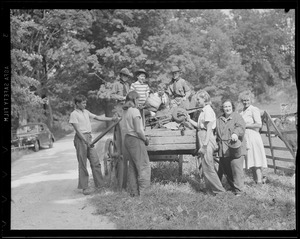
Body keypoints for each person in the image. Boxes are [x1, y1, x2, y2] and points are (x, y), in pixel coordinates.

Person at [69, 94, 116, 195]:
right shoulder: (74, 114)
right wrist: (86, 142)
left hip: (89, 137)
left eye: (85, 102)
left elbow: (98, 118)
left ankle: (100, 186)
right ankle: (84, 187)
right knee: (82, 163)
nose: (85, 104)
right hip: (81, 139)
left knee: (95, 162)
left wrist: (111, 119)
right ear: (77, 104)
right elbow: (77, 130)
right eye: (83, 103)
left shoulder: (86, 112)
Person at [186, 90, 226, 195]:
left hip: (206, 138)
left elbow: (208, 129)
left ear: (204, 99)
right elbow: (200, 126)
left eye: (198, 99)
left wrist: (204, 145)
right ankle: (210, 190)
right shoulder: (203, 111)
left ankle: (220, 191)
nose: (197, 102)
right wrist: (188, 119)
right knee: (205, 166)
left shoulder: (208, 110)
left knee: (208, 166)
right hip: (202, 135)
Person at [121, 91, 151, 197]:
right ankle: (145, 193)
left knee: (132, 167)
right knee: (144, 166)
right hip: (135, 139)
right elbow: (138, 130)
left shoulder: (126, 111)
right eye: (138, 99)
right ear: (134, 100)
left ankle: (133, 192)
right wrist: (146, 139)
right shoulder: (135, 111)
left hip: (128, 139)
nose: (138, 102)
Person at [215, 99, 247, 196]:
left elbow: (241, 127)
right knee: (227, 169)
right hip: (223, 148)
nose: (227, 108)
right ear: (223, 108)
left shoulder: (237, 117)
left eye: (229, 106)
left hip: (235, 147)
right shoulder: (219, 119)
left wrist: (235, 134)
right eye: (225, 107)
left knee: (236, 169)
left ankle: (240, 191)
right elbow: (215, 130)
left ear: (232, 107)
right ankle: (233, 187)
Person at [239, 90, 268, 185]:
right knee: (251, 160)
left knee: (256, 160)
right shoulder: (242, 111)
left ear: (251, 100)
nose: (245, 102)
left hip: (253, 136)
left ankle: (259, 182)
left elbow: (259, 125)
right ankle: (256, 181)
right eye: (243, 100)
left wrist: (246, 125)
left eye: (247, 100)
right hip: (245, 137)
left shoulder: (253, 109)